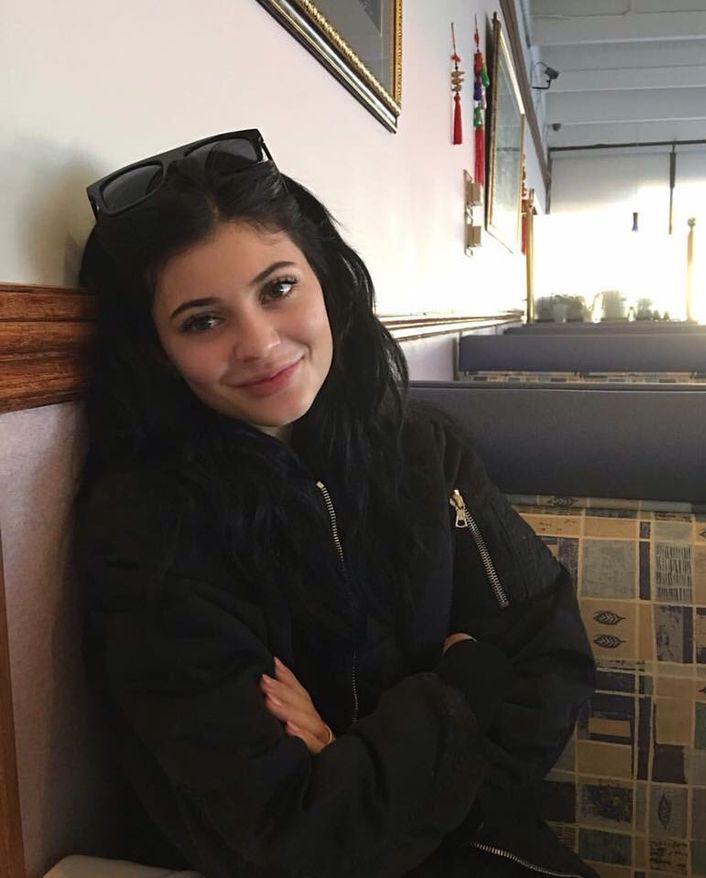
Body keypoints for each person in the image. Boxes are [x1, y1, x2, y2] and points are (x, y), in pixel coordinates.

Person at [75, 129, 597, 878]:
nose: (258, 343)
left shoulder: (426, 450)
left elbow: (551, 660)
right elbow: (295, 839)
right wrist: (463, 685)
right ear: (156, 350)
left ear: (327, 282)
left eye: (277, 288)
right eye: (202, 321)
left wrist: (365, 763)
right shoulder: (146, 527)